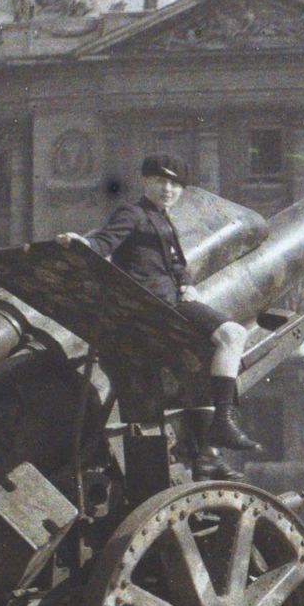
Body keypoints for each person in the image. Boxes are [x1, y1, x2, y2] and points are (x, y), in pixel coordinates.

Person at [56, 154, 261, 478]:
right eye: (161, 181)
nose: (168, 189)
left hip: (169, 303)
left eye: (175, 184)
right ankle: (221, 422)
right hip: (153, 306)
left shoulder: (163, 220)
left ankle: (207, 453)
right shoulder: (133, 213)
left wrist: (187, 285)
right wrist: (83, 243)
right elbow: (105, 241)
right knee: (233, 335)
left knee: (206, 358)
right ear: (146, 182)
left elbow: (177, 264)